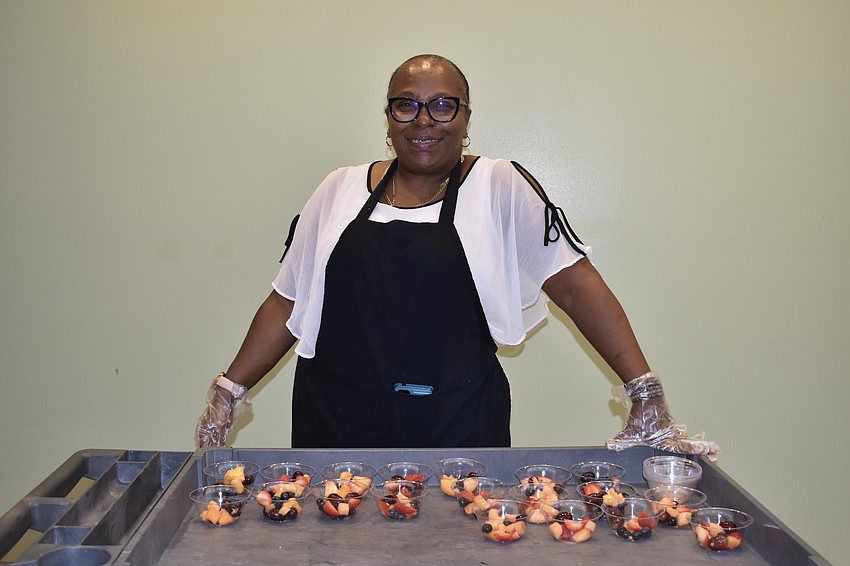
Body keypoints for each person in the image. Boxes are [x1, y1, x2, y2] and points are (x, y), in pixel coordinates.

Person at [195, 54, 718, 455]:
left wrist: (644, 391)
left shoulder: (499, 185)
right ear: (389, 116)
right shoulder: (338, 189)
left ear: (466, 118)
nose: (424, 120)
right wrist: (227, 393)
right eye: (407, 104)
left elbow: (576, 286)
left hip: (457, 425)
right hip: (335, 422)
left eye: (443, 104)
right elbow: (287, 303)